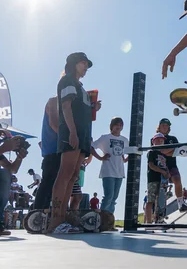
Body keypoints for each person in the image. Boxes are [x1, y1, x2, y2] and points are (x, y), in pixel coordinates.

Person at [48, 52, 101, 234]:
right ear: (74, 63)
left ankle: (64, 218)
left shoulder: (80, 86)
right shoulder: (68, 81)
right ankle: (56, 221)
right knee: (65, 173)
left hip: (83, 135)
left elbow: (79, 109)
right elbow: (65, 107)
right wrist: (71, 131)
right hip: (73, 133)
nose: (86, 67)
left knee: (73, 177)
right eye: (83, 63)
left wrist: (93, 108)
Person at [91, 117, 129, 216]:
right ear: (112, 126)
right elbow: (91, 147)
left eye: (121, 125)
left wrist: (125, 159)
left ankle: (109, 221)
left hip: (119, 172)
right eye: (117, 124)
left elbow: (128, 151)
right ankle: (102, 219)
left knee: (114, 198)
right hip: (108, 171)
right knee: (108, 196)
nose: (119, 126)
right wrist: (100, 158)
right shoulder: (105, 137)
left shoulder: (124, 140)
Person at [156, 118, 187, 212]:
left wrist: (168, 151)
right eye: (163, 125)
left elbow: (179, 150)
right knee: (161, 189)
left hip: (172, 165)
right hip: (160, 166)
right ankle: (159, 212)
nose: (165, 127)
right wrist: (172, 149)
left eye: (167, 125)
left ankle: (181, 204)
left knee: (178, 181)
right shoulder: (156, 138)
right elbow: (160, 151)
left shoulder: (173, 139)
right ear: (159, 126)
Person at [33, 96, 60, 209]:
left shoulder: (66, 105)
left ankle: (47, 215)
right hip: (52, 151)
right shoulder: (53, 101)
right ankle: (36, 215)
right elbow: (54, 124)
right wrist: (72, 136)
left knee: (55, 185)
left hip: (60, 150)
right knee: (48, 184)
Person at [145, 133, 170, 224]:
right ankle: (148, 222)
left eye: (162, 140)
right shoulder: (152, 152)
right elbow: (151, 165)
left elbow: (165, 166)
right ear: (153, 141)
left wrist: (167, 173)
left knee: (162, 201)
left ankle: (160, 219)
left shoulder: (164, 155)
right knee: (150, 200)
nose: (160, 142)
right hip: (153, 178)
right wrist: (162, 171)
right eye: (158, 140)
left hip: (163, 180)